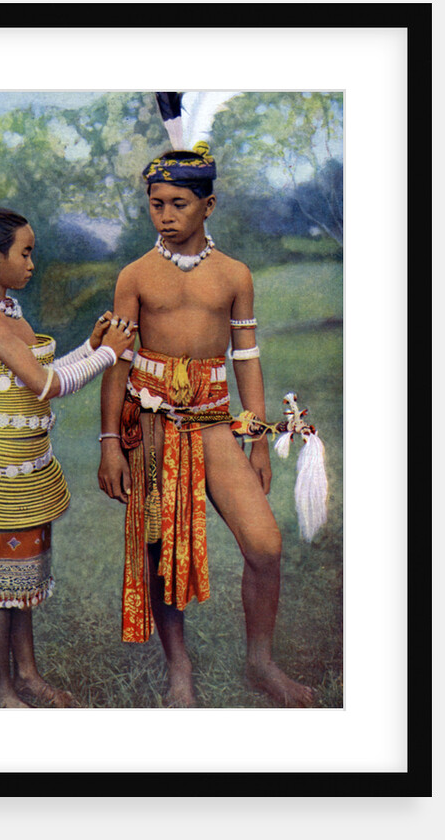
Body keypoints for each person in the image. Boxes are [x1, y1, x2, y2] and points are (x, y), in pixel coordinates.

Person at [98, 145, 314, 708]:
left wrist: (258, 441)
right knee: (161, 548)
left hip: (214, 423)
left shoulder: (234, 275)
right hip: (152, 426)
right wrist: (110, 444)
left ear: (208, 205)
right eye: (156, 204)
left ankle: (260, 662)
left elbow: (246, 357)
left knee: (265, 545)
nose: (166, 216)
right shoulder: (135, 276)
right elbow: (118, 361)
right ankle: (180, 668)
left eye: (179, 204)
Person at [0, 166, 135, 708]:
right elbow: (47, 386)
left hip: (33, 468)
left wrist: (90, 346)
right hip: (7, 472)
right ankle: (0, 687)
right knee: (0, 582)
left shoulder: (8, 310)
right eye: (24, 253)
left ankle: (27, 676)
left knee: (24, 577)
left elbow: (44, 372)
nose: (32, 263)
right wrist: (109, 354)